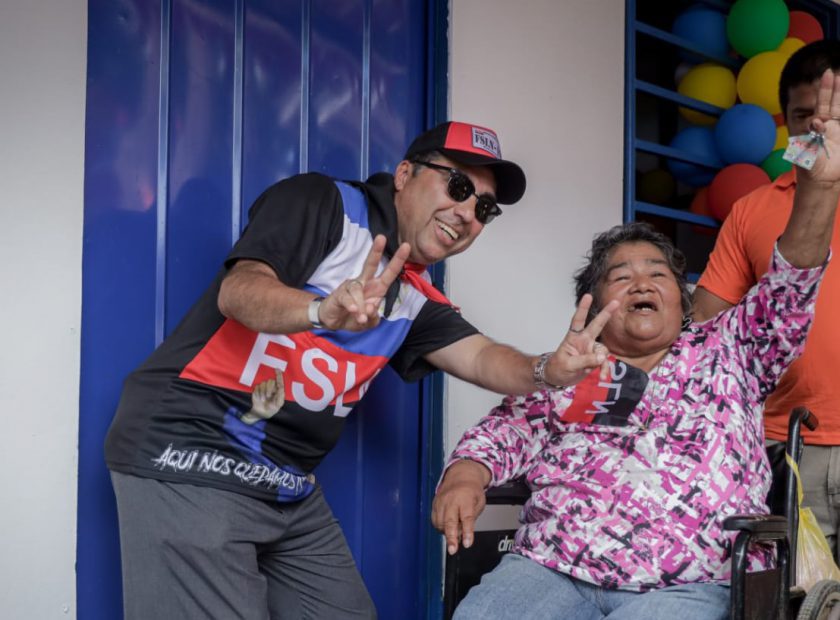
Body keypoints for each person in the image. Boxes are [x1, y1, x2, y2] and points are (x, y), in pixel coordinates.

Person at [104, 120, 605, 619]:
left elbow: (479, 356)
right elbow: (238, 292)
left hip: (285, 482)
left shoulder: (414, 294)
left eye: (485, 207)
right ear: (404, 174)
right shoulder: (325, 204)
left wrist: (548, 370)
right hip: (192, 450)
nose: (467, 212)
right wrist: (319, 310)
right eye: (458, 186)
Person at [432, 70, 840, 620]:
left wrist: (819, 189)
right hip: (553, 567)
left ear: (683, 300)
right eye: (621, 276)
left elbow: (790, 285)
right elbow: (502, 434)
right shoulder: (568, 369)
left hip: (692, 582)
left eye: (658, 274)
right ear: (592, 303)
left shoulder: (731, 352)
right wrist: (464, 476)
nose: (642, 283)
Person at [693, 40, 840, 560]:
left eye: (835, 116)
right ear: (787, 123)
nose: (821, 129)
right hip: (785, 443)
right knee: (795, 593)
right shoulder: (753, 209)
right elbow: (707, 325)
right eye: (806, 117)